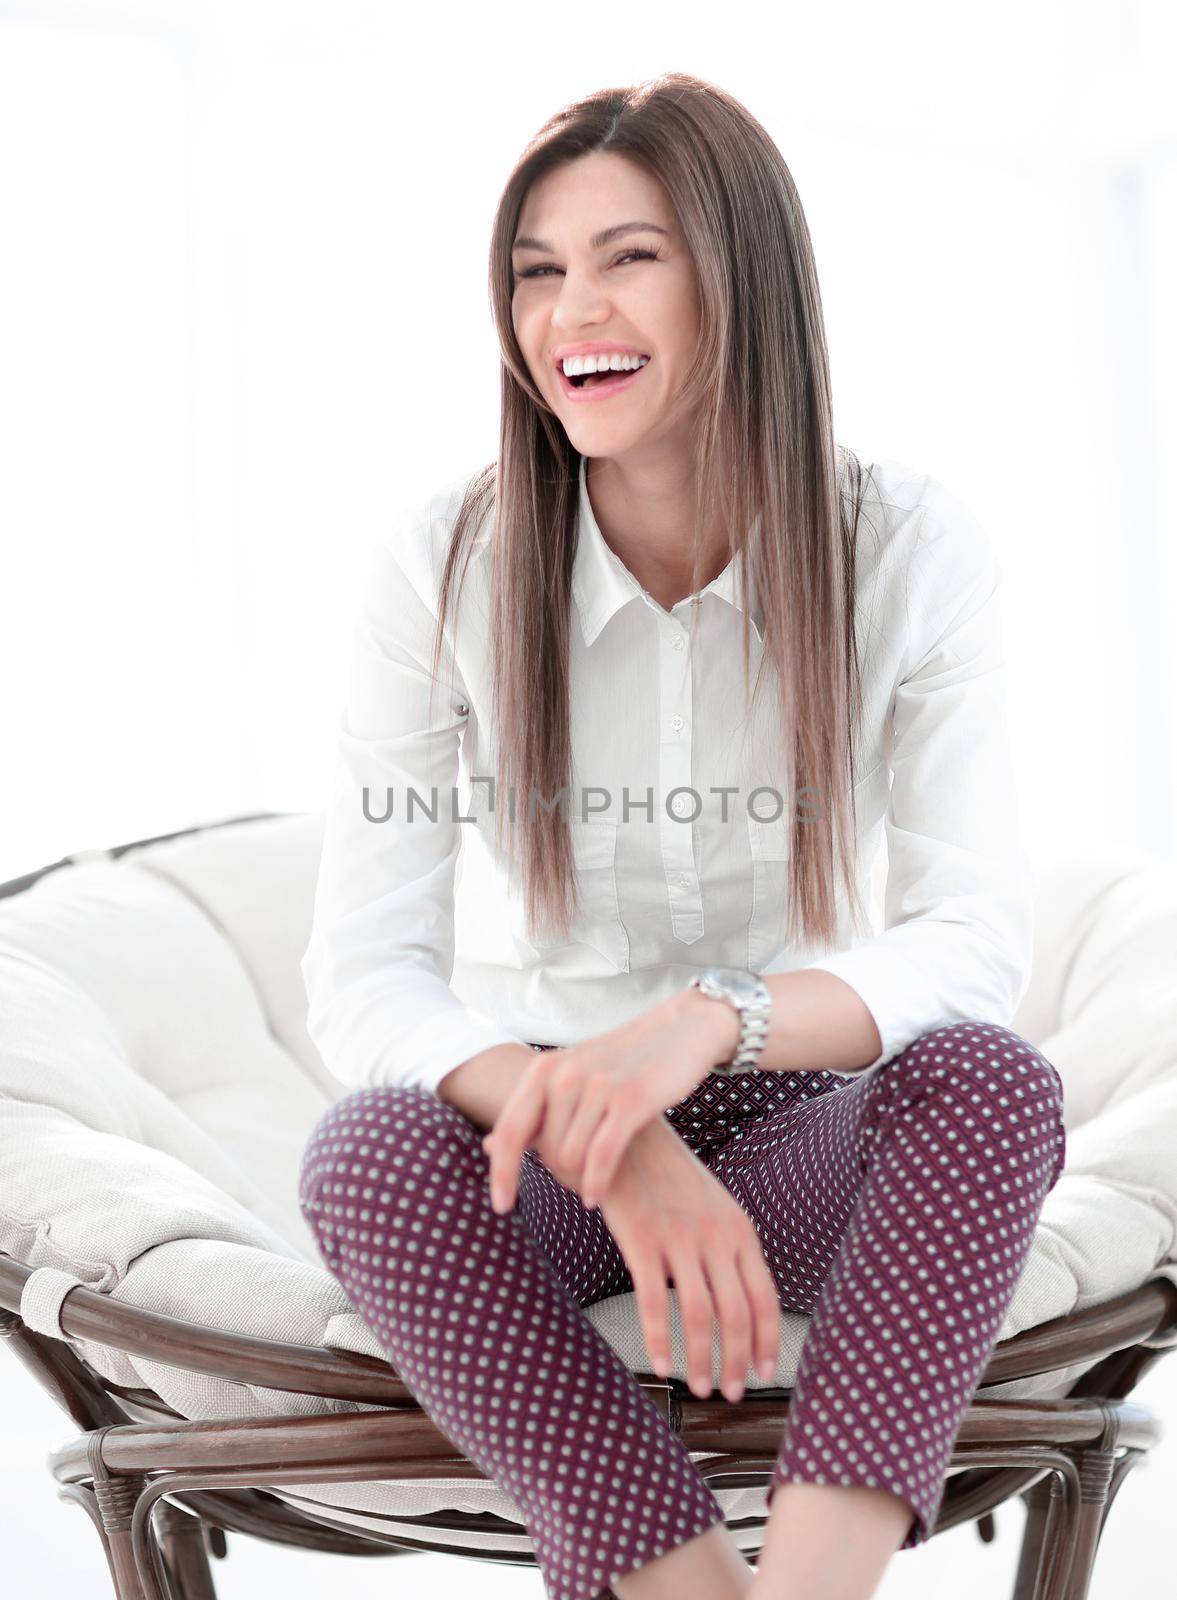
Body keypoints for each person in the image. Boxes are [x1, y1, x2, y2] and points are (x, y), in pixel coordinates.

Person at [296, 71, 1067, 1600]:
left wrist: (708, 1029)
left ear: (743, 275)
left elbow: (973, 937)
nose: (569, 308)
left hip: (804, 1133)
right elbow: (360, 976)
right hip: (549, 1153)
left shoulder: (904, 547)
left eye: (627, 255)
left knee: (994, 1086)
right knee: (365, 1156)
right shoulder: (438, 565)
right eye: (535, 269)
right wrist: (606, 1120)